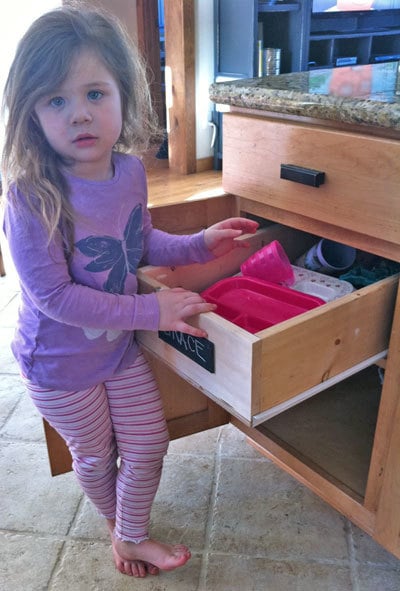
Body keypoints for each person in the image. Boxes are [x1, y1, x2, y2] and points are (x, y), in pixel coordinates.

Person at [1, 5, 259, 579]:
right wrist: (153, 308)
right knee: (96, 456)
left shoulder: (130, 173)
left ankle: (130, 534)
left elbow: (139, 242)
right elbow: (55, 298)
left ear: (124, 95)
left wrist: (198, 244)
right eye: (56, 101)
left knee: (148, 444)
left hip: (117, 349)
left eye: (95, 93)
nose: (79, 115)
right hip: (60, 365)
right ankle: (119, 529)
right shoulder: (30, 197)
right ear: (32, 114)